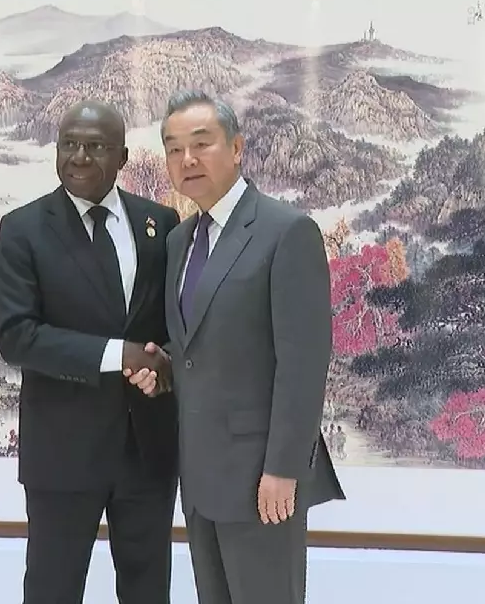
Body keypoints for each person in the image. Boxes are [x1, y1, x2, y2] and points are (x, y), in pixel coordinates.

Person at [125, 90, 345, 604]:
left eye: (202, 144)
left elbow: (303, 363)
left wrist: (284, 469)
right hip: (200, 477)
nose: (187, 159)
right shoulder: (179, 241)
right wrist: (163, 368)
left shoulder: (286, 231)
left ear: (238, 148)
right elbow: (197, 347)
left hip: (262, 479)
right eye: (174, 149)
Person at [0, 99, 181, 604]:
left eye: (95, 146)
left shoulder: (160, 224)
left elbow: (177, 323)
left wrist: (161, 362)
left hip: (147, 450)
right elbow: (16, 335)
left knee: (149, 593)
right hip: (63, 452)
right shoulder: (23, 230)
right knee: (52, 591)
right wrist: (120, 356)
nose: (79, 156)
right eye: (69, 144)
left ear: (122, 157)